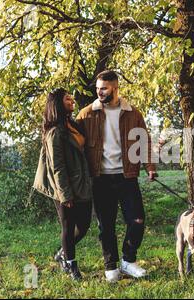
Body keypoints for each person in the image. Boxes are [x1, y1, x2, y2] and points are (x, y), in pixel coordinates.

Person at [76, 70, 157, 283]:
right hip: (100, 177)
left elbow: (144, 141)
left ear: (115, 86)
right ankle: (110, 266)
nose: (99, 92)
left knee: (137, 220)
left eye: (103, 88)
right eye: (97, 89)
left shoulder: (132, 113)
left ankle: (128, 261)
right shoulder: (86, 114)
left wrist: (150, 166)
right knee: (106, 225)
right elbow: (73, 142)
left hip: (127, 175)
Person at [33, 88, 92, 281]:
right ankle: (72, 266)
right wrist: (65, 195)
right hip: (63, 187)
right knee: (68, 226)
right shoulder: (54, 132)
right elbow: (57, 166)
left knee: (83, 226)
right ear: (58, 103)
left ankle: (62, 254)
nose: (72, 101)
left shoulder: (72, 125)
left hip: (81, 182)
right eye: (68, 99)